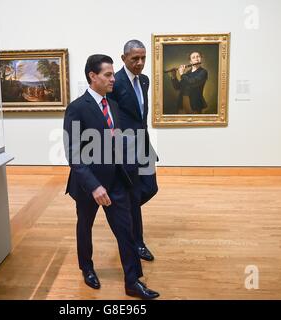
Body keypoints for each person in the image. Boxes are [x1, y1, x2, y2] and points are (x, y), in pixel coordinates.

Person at [63, 54, 159, 299]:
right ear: (92, 76)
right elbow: (73, 154)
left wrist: (131, 170)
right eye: (107, 74)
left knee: (126, 231)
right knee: (85, 227)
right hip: (88, 186)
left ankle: (132, 282)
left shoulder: (113, 105)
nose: (113, 79)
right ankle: (87, 267)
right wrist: (94, 186)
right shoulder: (76, 108)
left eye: (113, 74)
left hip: (116, 182)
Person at [107, 40, 158, 262]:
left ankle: (124, 210)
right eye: (134, 58)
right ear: (123, 58)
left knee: (151, 187)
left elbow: (140, 115)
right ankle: (137, 243)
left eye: (143, 58)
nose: (139, 63)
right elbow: (111, 118)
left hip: (143, 144)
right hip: (126, 148)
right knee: (135, 192)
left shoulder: (144, 80)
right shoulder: (115, 82)